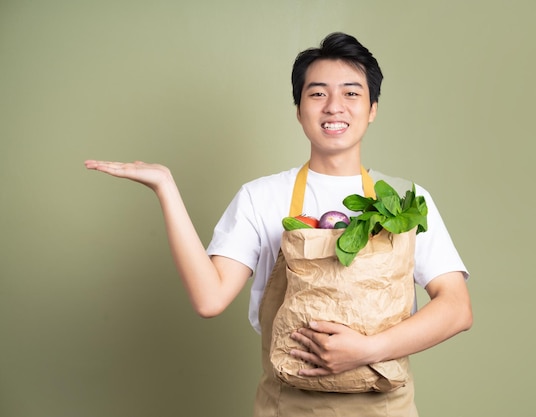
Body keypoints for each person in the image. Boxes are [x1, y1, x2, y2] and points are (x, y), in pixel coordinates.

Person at [85, 32, 472, 416]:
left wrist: (367, 350)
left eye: (351, 93)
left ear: (372, 108)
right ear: (299, 108)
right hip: (287, 407)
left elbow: (456, 308)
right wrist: (166, 187)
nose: (334, 106)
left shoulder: (405, 200)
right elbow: (210, 298)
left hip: (385, 407)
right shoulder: (262, 197)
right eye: (318, 93)